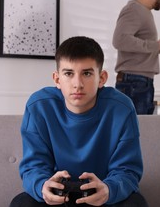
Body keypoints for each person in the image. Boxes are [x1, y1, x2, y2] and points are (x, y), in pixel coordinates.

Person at [10, 36, 147, 207]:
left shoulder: (122, 108)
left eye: (87, 73)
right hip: (58, 197)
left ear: (102, 78)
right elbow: (33, 166)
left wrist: (109, 190)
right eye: (68, 73)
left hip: (103, 195)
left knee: (136, 203)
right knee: (21, 203)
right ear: (57, 79)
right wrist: (42, 186)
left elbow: (128, 170)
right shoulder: (38, 106)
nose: (77, 84)